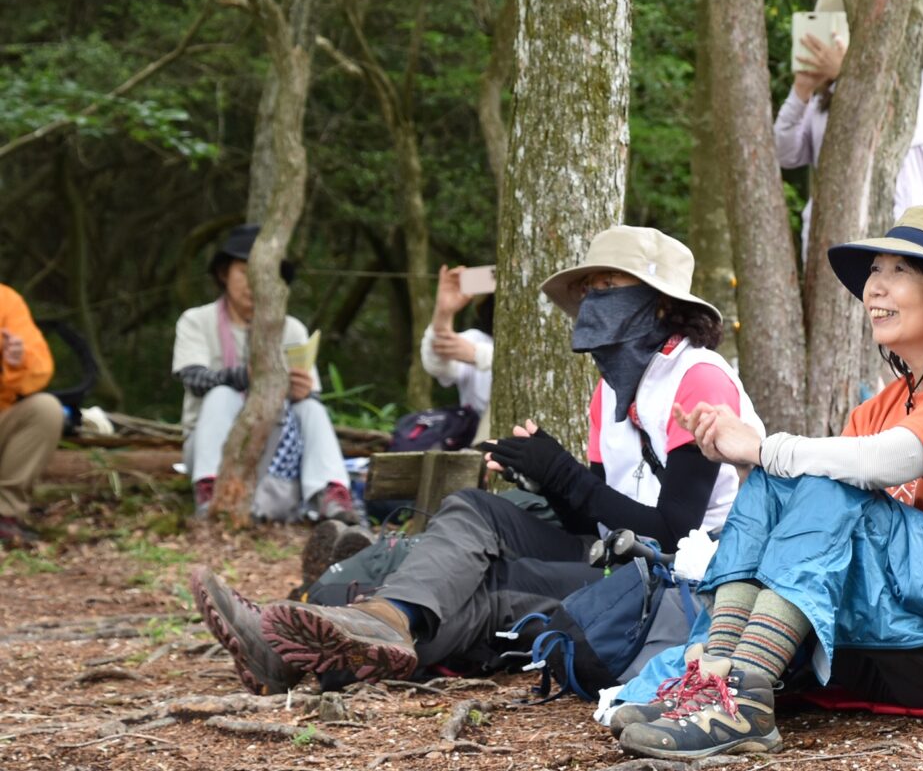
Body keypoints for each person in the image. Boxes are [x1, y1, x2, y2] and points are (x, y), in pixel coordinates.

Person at [190, 225, 757, 695]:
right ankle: (385, 619)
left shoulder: (698, 378)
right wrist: (544, 477)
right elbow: (594, 520)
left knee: (489, 587)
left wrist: (561, 473)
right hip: (613, 553)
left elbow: (674, 533)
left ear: (659, 304)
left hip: (676, 580)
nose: (592, 299)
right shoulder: (609, 390)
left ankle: (296, 655)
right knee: (474, 508)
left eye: (609, 285)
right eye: (588, 287)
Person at [611, 206, 923, 760]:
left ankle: (742, 699)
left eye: (900, 270)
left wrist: (763, 446)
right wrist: (745, 461)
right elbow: (809, 518)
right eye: (875, 270)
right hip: (902, 627)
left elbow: (875, 465)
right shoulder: (880, 408)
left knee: (821, 471)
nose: (875, 287)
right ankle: (717, 680)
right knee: (788, 476)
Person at [173, 224, 354, 523]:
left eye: (265, 275)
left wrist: (302, 392)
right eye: (245, 272)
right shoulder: (196, 320)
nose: (254, 283)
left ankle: (332, 496)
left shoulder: (291, 329)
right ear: (224, 273)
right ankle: (210, 490)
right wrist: (245, 379)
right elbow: (193, 379)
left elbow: (311, 397)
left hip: (272, 448)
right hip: (210, 448)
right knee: (221, 394)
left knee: (311, 408)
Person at [775, 0, 923, 252]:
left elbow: (881, 136)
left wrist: (847, 76)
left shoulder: (917, 86)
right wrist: (801, 91)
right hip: (830, 247)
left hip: (897, 244)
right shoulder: (823, 96)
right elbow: (785, 154)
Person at [0, 283, 62, 549]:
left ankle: (5, 514)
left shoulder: (6, 300)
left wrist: (17, 359)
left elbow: (41, 371)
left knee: (45, 409)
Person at [420, 264, 495, 419]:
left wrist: (479, 355)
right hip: (482, 430)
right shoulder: (476, 339)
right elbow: (436, 364)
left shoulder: (477, 347)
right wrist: (444, 312)